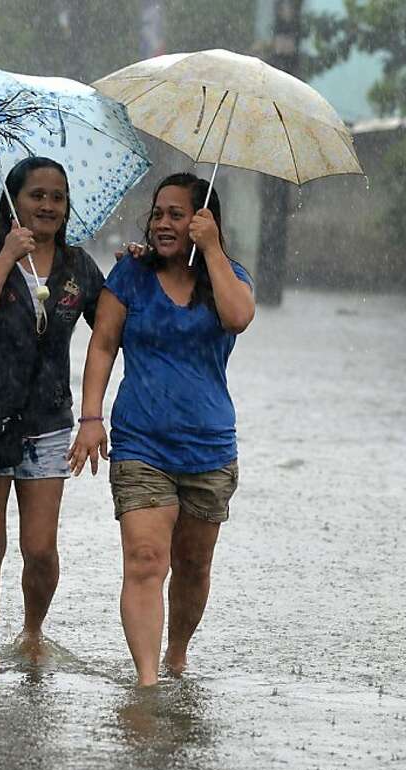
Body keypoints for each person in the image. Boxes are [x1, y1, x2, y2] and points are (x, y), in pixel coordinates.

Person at [67, 172, 255, 686]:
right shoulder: (129, 275)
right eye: (158, 214)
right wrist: (90, 418)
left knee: (192, 566)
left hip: (209, 449)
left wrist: (212, 250)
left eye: (178, 214)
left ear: (203, 219)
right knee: (147, 559)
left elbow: (238, 318)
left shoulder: (229, 278)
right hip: (141, 443)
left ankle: (176, 653)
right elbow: (103, 344)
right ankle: (147, 682)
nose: (164, 223)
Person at [0, 156, 105, 672]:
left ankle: (33, 632)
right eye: (37, 195)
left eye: (57, 196)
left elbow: (113, 328)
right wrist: (8, 255)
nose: (48, 205)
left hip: (50, 423)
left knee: (40, 551)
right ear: (14, 201)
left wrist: (143, 265)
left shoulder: (78, 267)